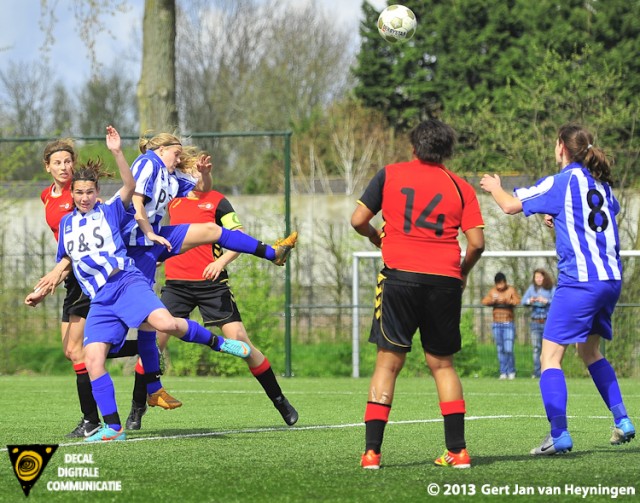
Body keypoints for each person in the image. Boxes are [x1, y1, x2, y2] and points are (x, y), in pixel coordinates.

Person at [25, 151, 252, 442]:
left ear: (97, 193)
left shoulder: (109, 210)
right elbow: (64, 261)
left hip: (126, 283)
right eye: (79, 192)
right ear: (72, 194)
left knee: (167, 324)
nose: (84, 197)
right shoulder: (67, 225)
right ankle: (113, 427)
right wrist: (42, 291)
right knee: (92, 358)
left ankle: (221, 343)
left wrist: (118, 152)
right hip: (101, 299)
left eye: (89, 192)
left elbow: (130, 186)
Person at [116, 133, 297, 423]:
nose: (181, 160)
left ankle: (280, 402)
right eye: (177, 154)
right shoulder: (150, 167)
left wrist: (202, 176)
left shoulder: (202, 194)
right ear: (162, 150)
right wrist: (149, 231)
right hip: (159, 265)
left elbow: (214, 206)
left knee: (240, 339)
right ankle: (138, 408)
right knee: (151, 336)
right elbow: (135, 198)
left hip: (211, 284)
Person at [480, 123, 635, 455]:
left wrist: (494, 186)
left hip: (579, 282)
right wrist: (558, 215)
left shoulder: (562, 181)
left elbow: (509, 205)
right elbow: (600, 217)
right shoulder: (602, 185)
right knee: (589, 351)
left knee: (549, 356)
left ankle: (559, 434)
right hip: (610, 280)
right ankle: (622, 420)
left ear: (561, 147)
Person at [351, 119, 485, 469]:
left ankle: (371, 454)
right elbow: (477, 244)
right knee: (442, 366)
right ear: (447, 151)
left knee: (387, 364)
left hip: (400, 278)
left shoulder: (390, 174)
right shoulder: (461, 187)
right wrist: (462, 273)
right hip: (444, 281)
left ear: (413, 147)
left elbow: (357, 220)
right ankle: (457, 452)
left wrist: (374, 236)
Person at [37, 132, 140, 438]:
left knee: (77, 349)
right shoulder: (47, 196)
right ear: (48, 167)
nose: (64, 166)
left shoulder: (78, 196)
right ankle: (136, 347)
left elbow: (83, 243)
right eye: (58, 162)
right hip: (69, 278)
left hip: (85, 276)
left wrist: (55, 274)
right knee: (72, 352)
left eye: (68, 160)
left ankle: (92, 420)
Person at [481, 272, 521, 380]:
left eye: (502, 283)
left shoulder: (511, 290)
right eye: (498, 284)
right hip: (496, 324)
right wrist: (493, 301)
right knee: (500, 349)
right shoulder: (493, 291)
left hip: (508, 323)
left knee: (508, 348)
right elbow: (484, 301)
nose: (500, 286)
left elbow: (518, 301)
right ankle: (503, 372)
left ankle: (511, 371)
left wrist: (508, 301)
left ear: (505, 282)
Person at [521, 268, 555, 378]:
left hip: (547, 322)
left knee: (548, 349)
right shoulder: (532, 289)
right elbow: (523, 301)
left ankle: (547, 371)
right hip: (535, 322)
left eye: (540, 277)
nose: (538, 279)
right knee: (536, 348)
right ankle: (537, 372)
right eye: (536, 277)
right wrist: (530, 301)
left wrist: (546, 301)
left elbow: (556, 301)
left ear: (544, 278)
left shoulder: (551, 289)